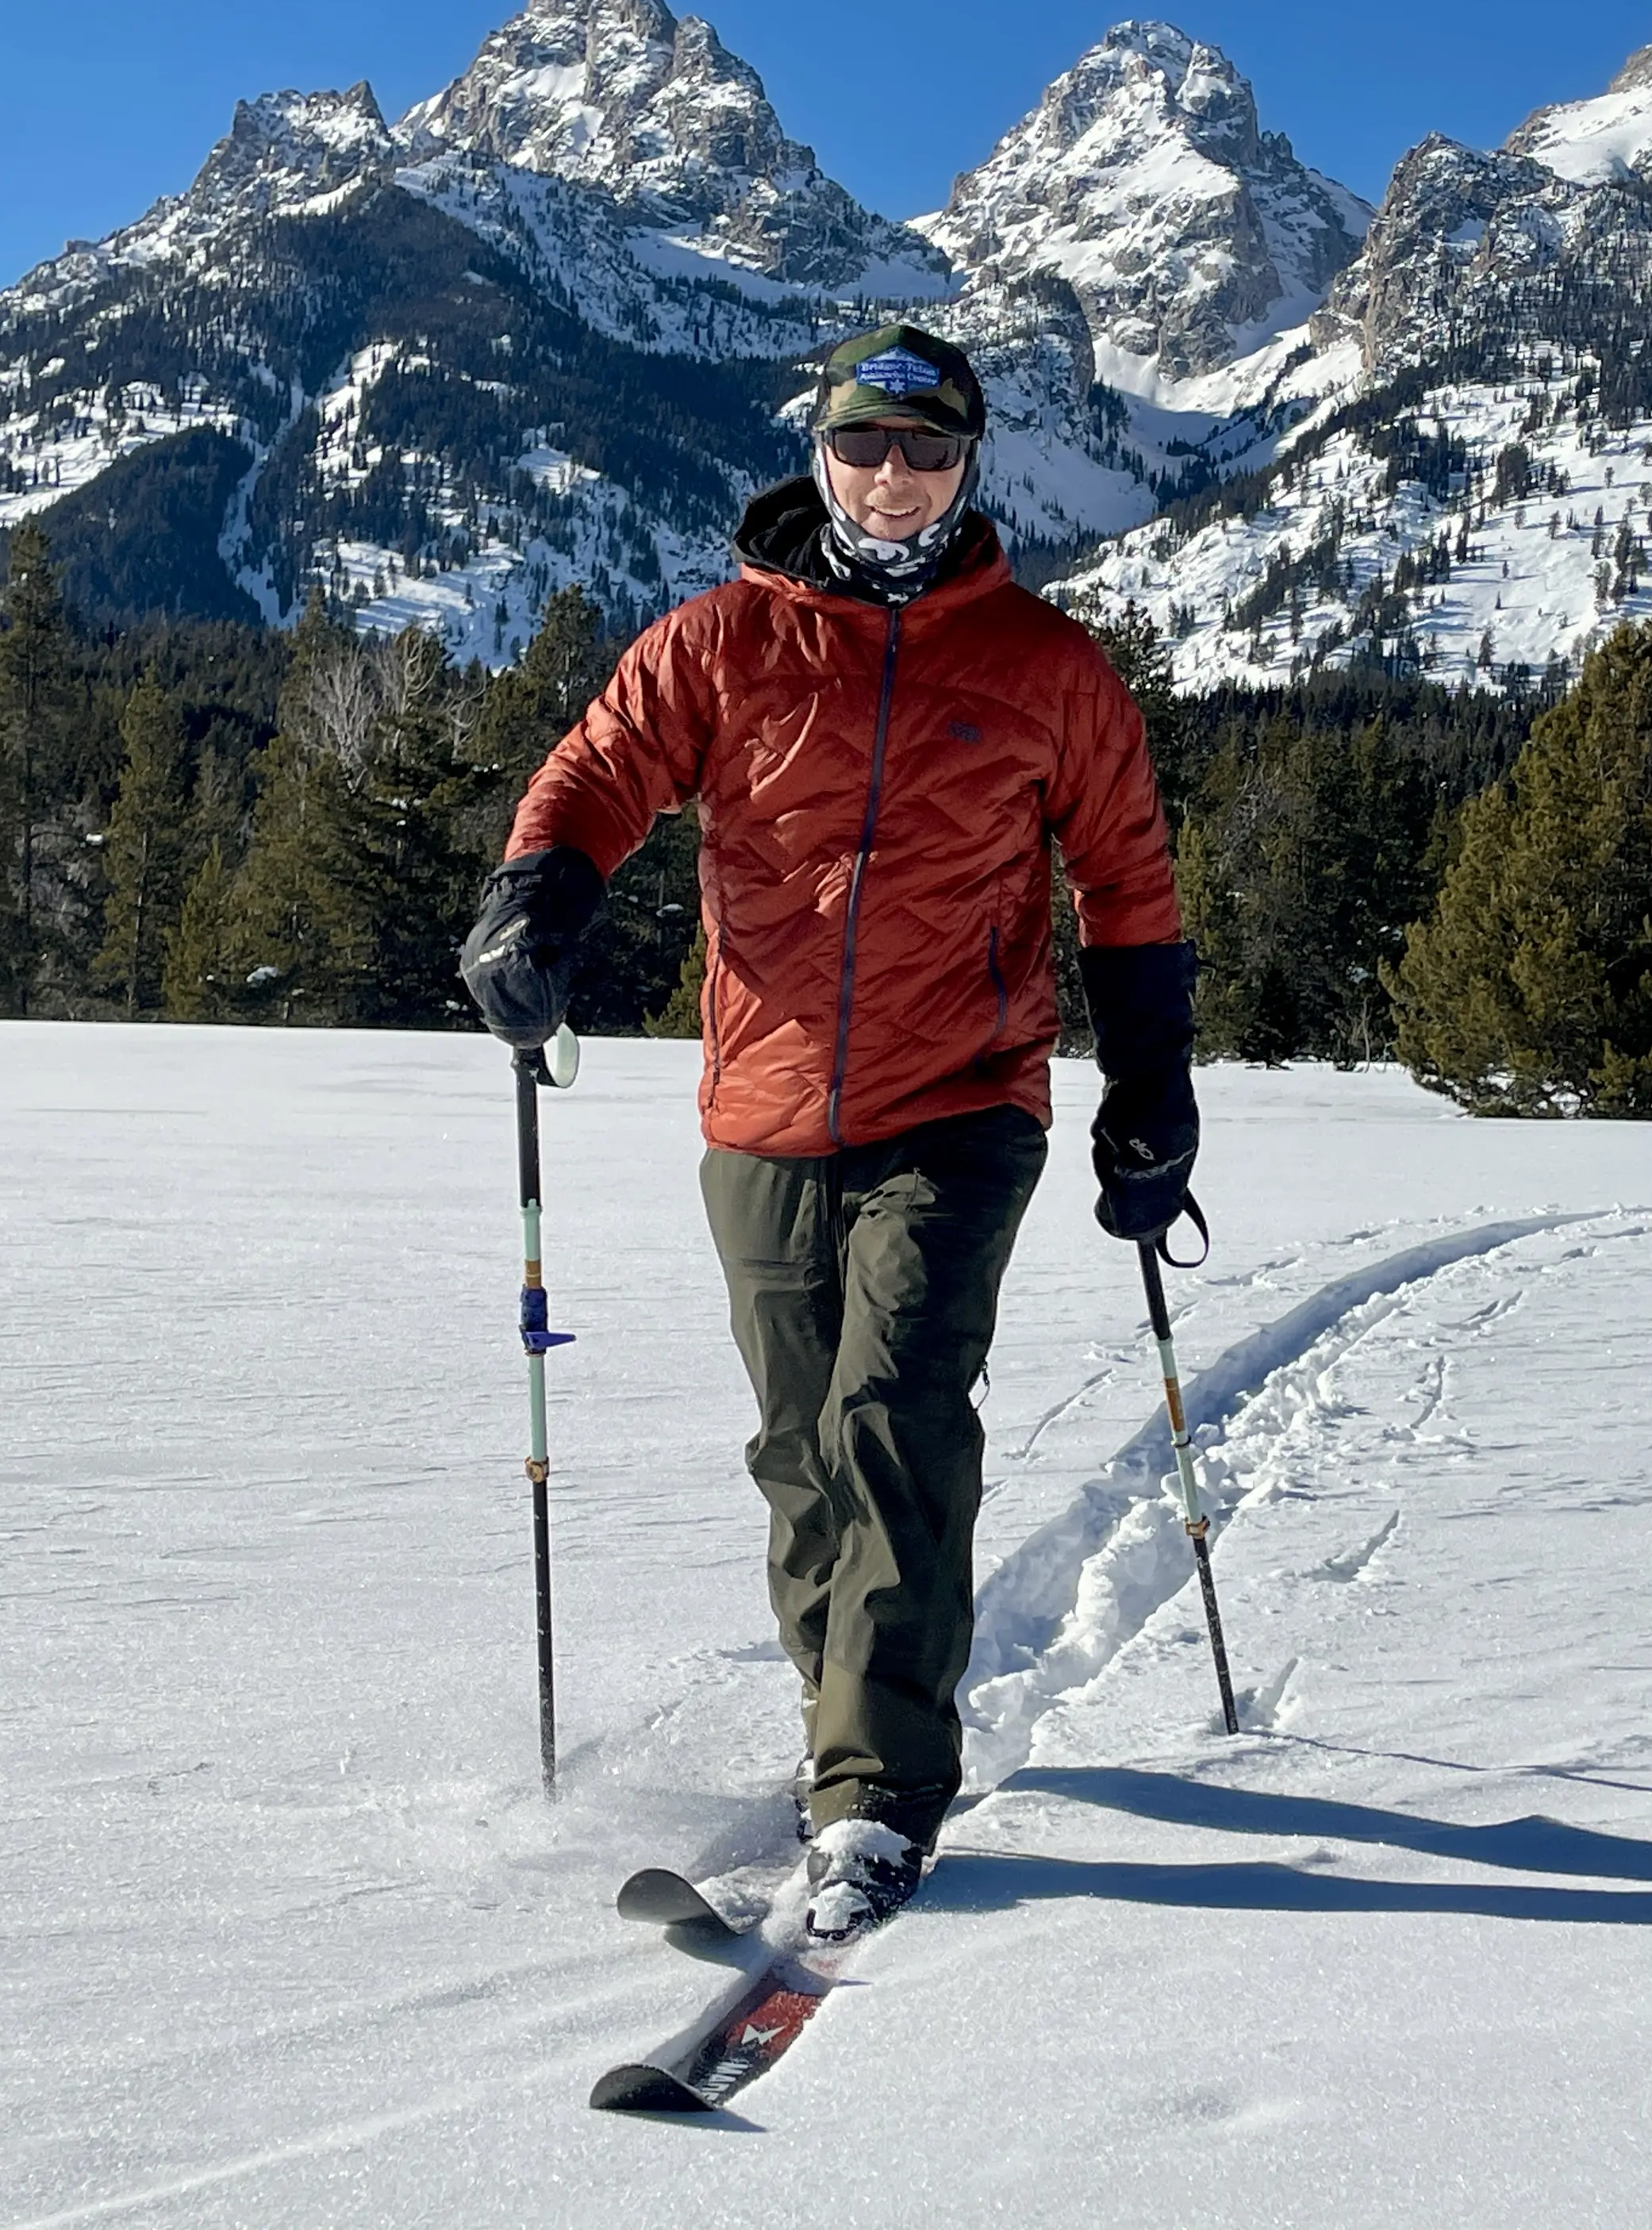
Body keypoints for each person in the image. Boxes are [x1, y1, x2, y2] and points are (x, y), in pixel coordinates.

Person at [458, 323, 1198, 1940]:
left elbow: (1129, 887)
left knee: (892, 1419)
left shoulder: (1046, 668)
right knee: (803, 1458)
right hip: (764, 1106)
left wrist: (1152, 1088)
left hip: (962, 1104)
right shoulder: (721, 642)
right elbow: (595, 776)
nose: (891, 478)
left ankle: (874, 1793)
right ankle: (850, 1716)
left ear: (968, 467)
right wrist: (538, 902)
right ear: (818, 453)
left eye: (926, 452)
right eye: (865, 447)